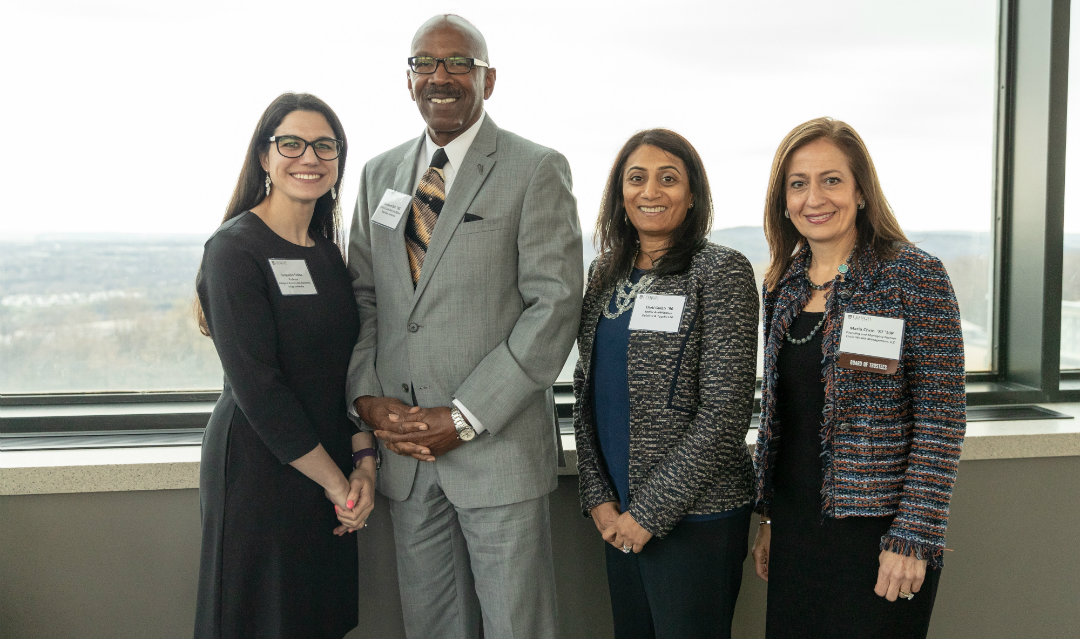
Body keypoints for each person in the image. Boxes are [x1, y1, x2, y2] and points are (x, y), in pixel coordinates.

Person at [344, 14, 583, 639]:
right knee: (431, 628)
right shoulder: (379, 176)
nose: (441, 77)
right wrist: (369, 401)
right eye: (425, 64)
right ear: (409, 80)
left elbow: (554, 306)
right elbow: (365, 298)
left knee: (517, 627)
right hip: (405, 455)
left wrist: (465, 416)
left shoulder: (535, 168)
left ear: (489, 78)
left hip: (495, 451)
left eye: (459, 64)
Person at [751, 117, 966, 639]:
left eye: (832, 179)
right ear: (783, 201)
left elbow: (942, 418)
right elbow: (784, 419)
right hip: (797, 530)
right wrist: (770, 521)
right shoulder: (782, 285)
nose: (814, 197)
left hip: (879, 536)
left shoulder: (912, 275)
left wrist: (912, 536)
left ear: (861, 191)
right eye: (798, 183)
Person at [193, 92, 375, 639]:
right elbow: (260, 390)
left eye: (325, 146)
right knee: (263, 620)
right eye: (291, 143)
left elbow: (352, 367)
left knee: (318, 618)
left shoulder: (326, 252)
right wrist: (338, 484)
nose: (309, 157)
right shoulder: (233, 250)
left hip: (331, 464)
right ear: (264, 157)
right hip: (262, 464)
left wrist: (364, 463)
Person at [573, 129, 758, 639]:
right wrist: (597, 496)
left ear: (693, 193)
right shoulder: (603, 274)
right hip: (618, 514)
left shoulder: (720, 271)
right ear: (620, 193)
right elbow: (586, 392)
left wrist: (649, 513)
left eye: (668, 178)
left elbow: (726, 413)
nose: (650, 191)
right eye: (636, 178)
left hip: (697, 517)